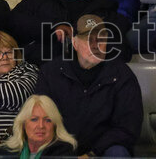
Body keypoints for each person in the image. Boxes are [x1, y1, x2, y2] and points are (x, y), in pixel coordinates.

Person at [35, 14, 141, 156]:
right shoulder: (50, 73)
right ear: (74, 43)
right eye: (88, 39)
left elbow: (128, 128)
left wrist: (91, 154)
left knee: (118, 152)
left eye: (101, 39)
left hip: (102, 151)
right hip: (61, 150)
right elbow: (41, 122)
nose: (95, 45)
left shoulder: (122, 75)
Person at [0, 95, 78, 158]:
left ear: (55, 126)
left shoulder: (64, 152)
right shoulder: (5, 151)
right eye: (34, 119)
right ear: (23, 124)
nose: (41, 126)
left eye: (48, 120)